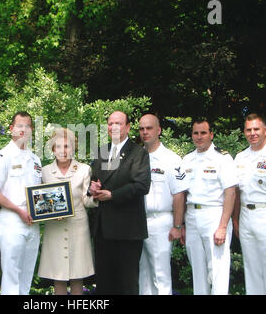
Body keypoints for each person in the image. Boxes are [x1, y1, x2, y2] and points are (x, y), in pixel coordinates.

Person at [89, 111, 151, 295]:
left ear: (128, 127)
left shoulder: (139, 153)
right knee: (104, 284)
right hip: (103, 229)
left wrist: (113, 195)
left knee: (126, 285)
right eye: (110, 123)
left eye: (118, 123)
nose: (113, 127)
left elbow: (141, 185)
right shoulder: (101, 151)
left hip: (127, 230)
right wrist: (92, 188)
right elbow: (92, 180)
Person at [0, 111, 41, 295]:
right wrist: (18, 210)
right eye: (19, 125)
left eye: (27, 126)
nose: (23, 129)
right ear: (11, 129)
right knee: (11, 279)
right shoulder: (2, 157)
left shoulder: (35, 160)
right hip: (12, 221)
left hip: (33, 223)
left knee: (26, 277)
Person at [181, 119, 237, 295]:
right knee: (198, 270)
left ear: (211, 135)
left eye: (203, 133)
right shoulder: (187, 159)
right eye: (196, 133)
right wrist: (181, 224)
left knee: (218, 269)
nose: (199, 137)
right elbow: (182, 194)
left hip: (214, 216)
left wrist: (222, 226)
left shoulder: (223, 158)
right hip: (191, 217)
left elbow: (231, 193)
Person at [38, 128, 97, 295]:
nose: (63, 151)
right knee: (59, 274)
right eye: (58, 146)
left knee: (78, 275)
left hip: (78, 225)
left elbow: (86, 200)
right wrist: (47, 212)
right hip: (54, 227)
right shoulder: (44, 172)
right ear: (52, 149)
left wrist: (96, 197)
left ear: (74, 148)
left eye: (67, 146)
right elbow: (41, 202)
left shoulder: (84, 169)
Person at [138, 114, 187, 295]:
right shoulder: (137, 157)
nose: (145, 132)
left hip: (160, 221)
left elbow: (179, 195)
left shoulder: (171, 159)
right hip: (138, 221)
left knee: (160, 275)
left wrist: (177, 225)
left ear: (158, 130)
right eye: (142, 128)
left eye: (149, 128)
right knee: (143, 274)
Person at [233, 113, 266, 294]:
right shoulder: (240, 158)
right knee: (251, 267)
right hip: (246, 216)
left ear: (264, 131)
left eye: (256, 129)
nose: (252, 133)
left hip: (264, 214)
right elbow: (237, 193)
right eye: (249, 130)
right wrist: (236, 220)